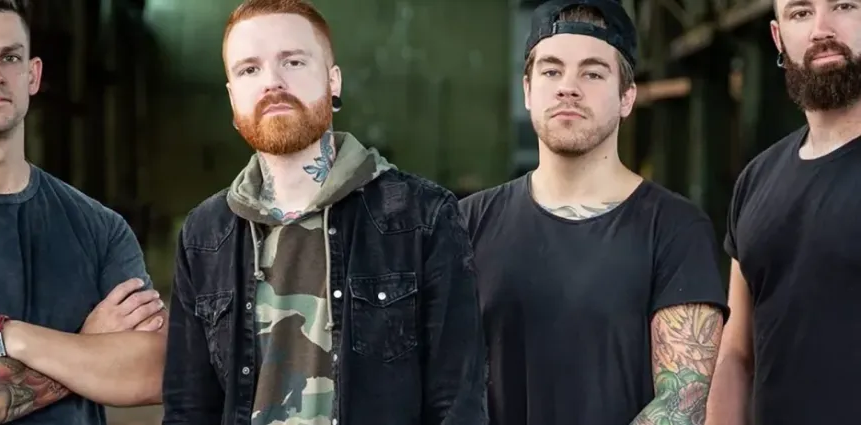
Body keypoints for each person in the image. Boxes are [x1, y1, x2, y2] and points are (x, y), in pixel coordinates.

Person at [160, 0, 486, 424]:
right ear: (232, 96)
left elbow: (457, 404)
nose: (272, 82)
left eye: (293, 62)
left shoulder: (422, 217)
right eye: (249, 70)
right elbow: (188, 409)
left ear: (333, 80)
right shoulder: (205, 234)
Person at [458, 1, 730, 424]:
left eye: (593, 73)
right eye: (551, 71)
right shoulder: (466, 224)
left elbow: (682, 402)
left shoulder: (676, 229)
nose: (568, 87)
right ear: (528, 90)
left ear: (627, 97)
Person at [0, 1, 169, 424]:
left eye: (10, 57)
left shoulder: (100, 227)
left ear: (33, 75)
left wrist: (12, 337)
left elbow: (153, 371)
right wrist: (87, 346)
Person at [705, 0, 861, 424]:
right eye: (800, 13)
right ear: (778, 37)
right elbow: (736, 354)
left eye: (843, 6)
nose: (821, 29)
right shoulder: (756, 180)